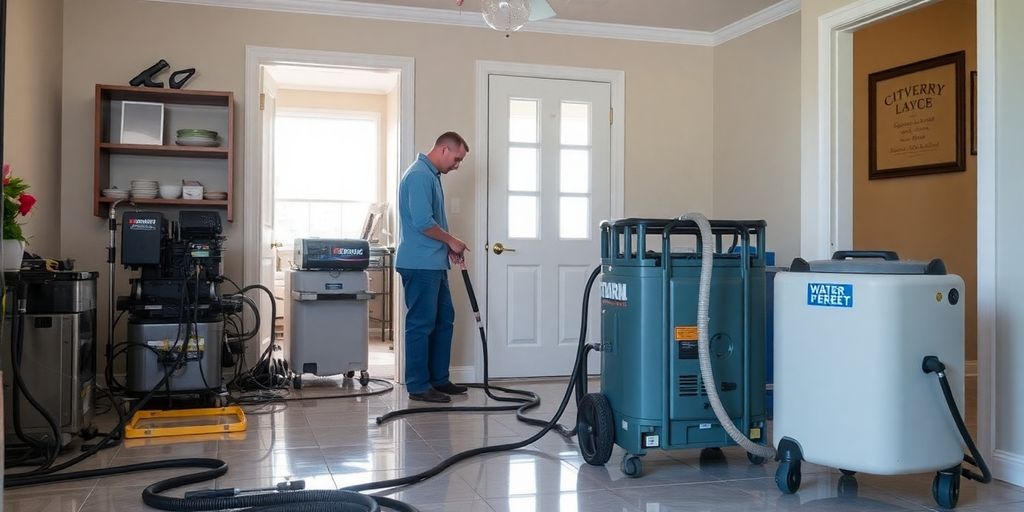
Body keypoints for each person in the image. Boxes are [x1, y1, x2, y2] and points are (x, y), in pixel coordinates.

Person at [395, 132, 470, 403]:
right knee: (421, 323)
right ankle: (418, 385)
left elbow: (431, 222)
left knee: (443, 319)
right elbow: (423, 222)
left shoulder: (431, 176)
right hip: (419, 264)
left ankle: (438, 379)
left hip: (433, 263)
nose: (457, 165)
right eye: (457, 159)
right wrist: (452, 240)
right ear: (443, 149)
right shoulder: (419, 176)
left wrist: (448, 248)